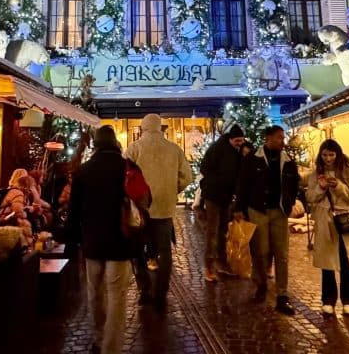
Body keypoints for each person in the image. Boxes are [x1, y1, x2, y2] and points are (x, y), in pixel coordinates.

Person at [67, 125, 136, 354]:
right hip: (120, 242)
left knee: (94, 292)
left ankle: (98, 338)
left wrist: (72, 241)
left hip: (93, 242)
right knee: (117, 298)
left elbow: (74, 212)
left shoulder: (84, 171)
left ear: (95, 144)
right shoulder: (127, 166)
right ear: (115, 142)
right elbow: (142, 201)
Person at [126, 113, 193, 312]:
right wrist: (174, 189)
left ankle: (145, 290)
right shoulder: (174, 149)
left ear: (143, 128)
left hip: (141, 208)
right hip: (164, 208)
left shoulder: (134, 148)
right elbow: (187, 177)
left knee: (139, 251)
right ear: (160, 127)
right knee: (165, 252)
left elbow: (125, 176)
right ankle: (161, 293)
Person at [234, 125, 300, 316]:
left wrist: (289, 202)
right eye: (279, 137)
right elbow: (243, 184)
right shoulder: (252, 159)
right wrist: (239, 207)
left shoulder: (287, 161)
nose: (282, 141)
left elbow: (294, 182)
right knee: (260, 251)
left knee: (282, 253)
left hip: (279, 211)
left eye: (283, 137)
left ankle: (282, 295)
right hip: (258, 210)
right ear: (268, 138)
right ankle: (261, 284)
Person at [304, 139, 349, 316]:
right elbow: (310, 196)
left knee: (345, 261)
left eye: (331, 155)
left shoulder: (348, 171)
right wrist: (321, 187)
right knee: (327, 263)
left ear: (337, 154)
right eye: (325, 155)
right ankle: (328, 301)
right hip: (325, 221)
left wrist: (339, 186)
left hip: (344, 219)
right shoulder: (316, 174)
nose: (328, 159)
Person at [199, 123, 245, 282]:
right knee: (213, 230)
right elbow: (204, 167)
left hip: (225, 197)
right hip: (213, 195)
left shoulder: (237, 150)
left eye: (241, 141)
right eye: (237, 141)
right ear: (231, 139)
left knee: (223, 230)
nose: (240, 144)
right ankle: (210, 265)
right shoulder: (218, 149)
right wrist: (217, 182)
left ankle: (222, 262)